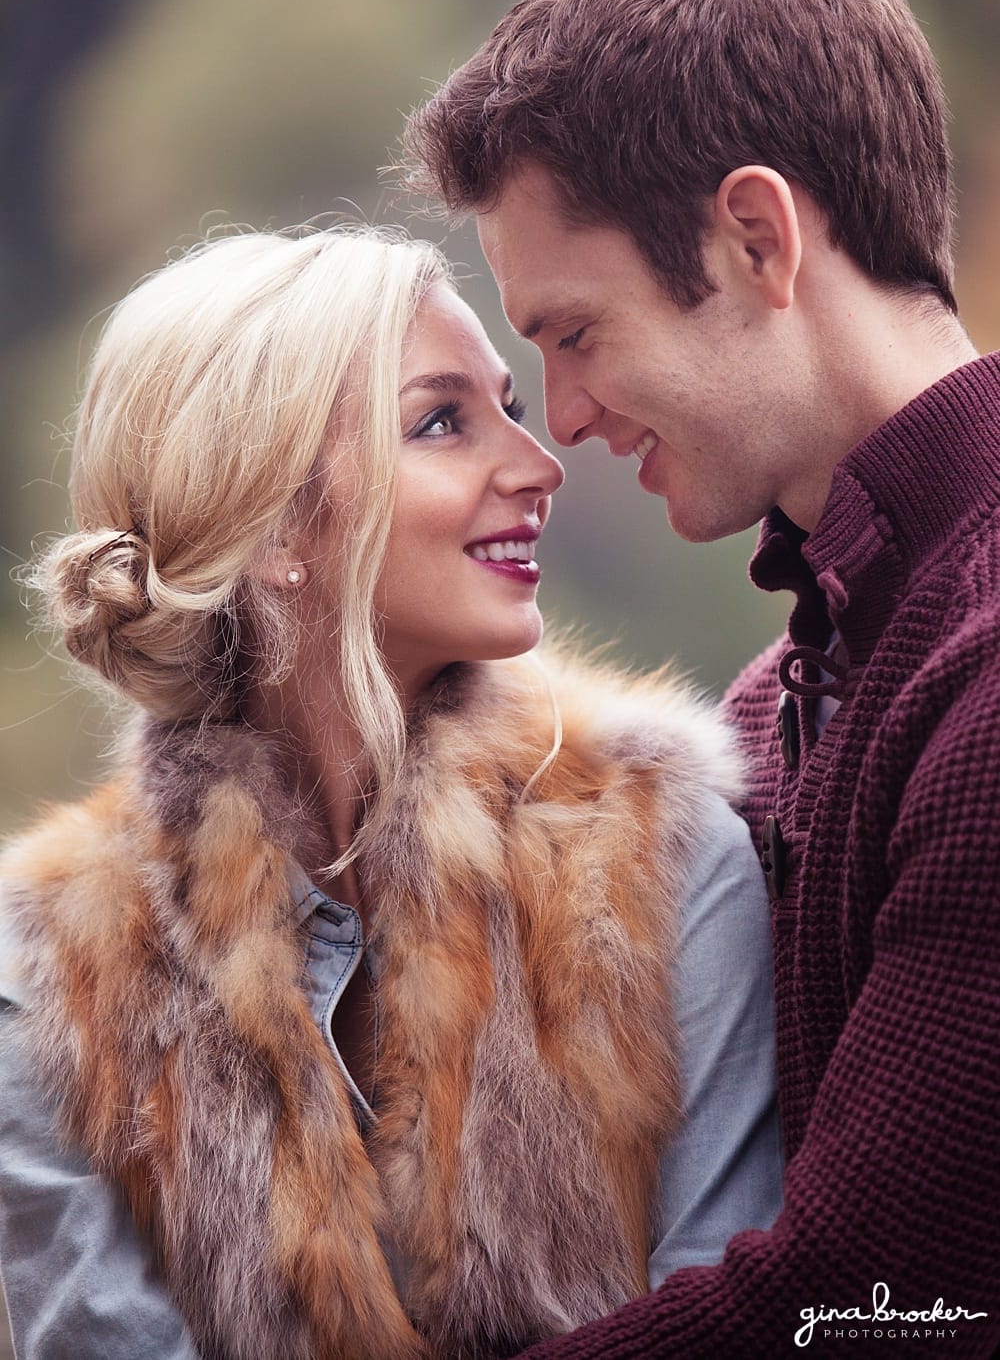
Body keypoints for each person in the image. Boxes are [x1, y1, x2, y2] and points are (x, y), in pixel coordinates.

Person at [0, 226, 781, 1359]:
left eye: (507, 406)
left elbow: (728, 1325)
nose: (538, 463)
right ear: (273, 526)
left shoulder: (663, 848)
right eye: (440, 422)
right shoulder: (47, 972)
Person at [402, 0, 1000, 1359]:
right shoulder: (767, 713)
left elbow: (883, 1311)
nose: (572, 422)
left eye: (578, 336)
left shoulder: (984, 681)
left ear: (752, 238)